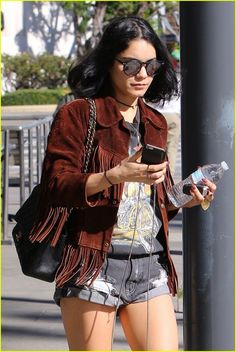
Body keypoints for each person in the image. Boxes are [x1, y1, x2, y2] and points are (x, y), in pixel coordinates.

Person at [33, 16, 216, 351]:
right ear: (109, 62)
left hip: (149, 262)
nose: (142, 74)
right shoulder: (78, 115)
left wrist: (184, 197)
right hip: (92, 262)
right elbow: (56, 186)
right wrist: (113, 175)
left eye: (150, 65)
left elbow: (151, 200)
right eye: (130, 64)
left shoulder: (154, 121)